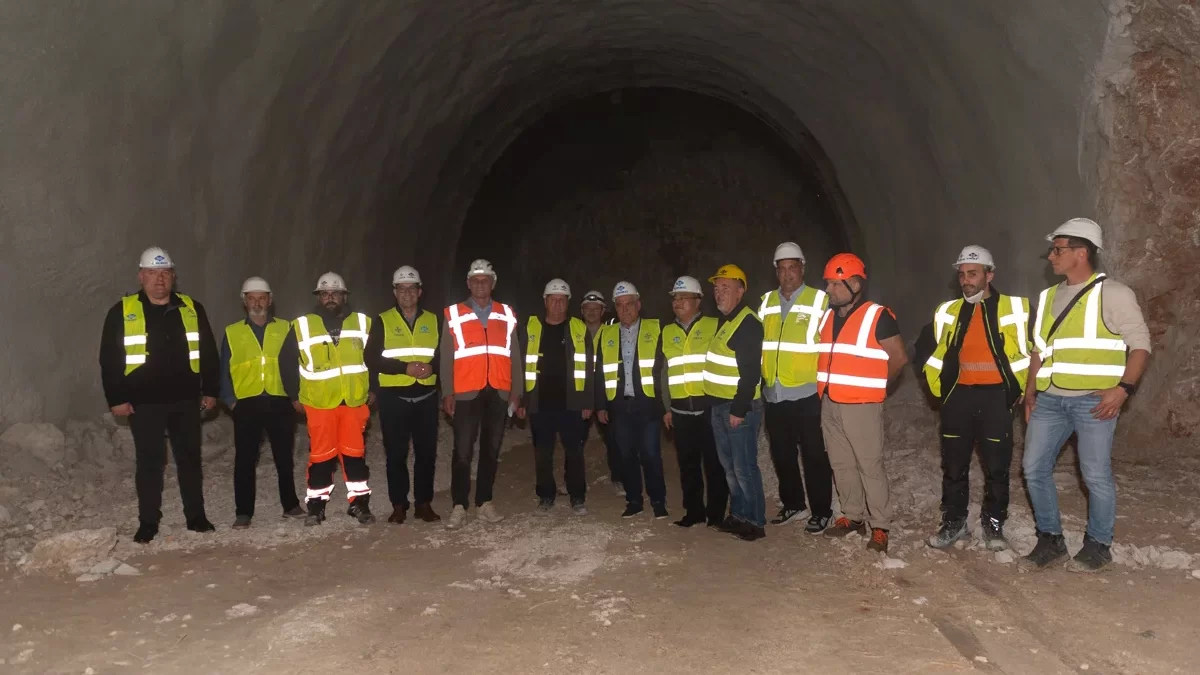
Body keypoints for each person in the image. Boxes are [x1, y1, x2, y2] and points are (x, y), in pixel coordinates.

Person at [1022, 218, 1151, 572]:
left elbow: (1140, 345)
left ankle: (1098, 544)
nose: (1051, 256)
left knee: (1094, 475)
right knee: (1033, 469)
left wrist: (1123, 390)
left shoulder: (1115, 294)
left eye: (1057, 249)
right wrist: (1030, 392)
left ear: (1081, 253)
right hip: (1050, 400)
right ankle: (1051, 540)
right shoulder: (1048, 296)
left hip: (1095, 402)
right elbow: (1040, 349)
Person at [99, 247, 219, 544]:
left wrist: (211, 390)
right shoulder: (121, 311)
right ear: (141, 276)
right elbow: (110, 359)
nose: (159, 279)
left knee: (189, 459)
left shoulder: (192, 308)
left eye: (164, 273)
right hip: (145, 403)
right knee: (150, 463)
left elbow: (208, 353)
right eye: (152, 273)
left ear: (173, 276)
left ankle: (196, 517)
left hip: (184, 400)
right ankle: (148, 522)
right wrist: (116, 398)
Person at [922, 246, 1030, 550]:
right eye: (962, 274)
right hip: (959, 398)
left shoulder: (1016, 308)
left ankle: (994, 525)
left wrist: (1022, 388)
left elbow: (1035, 350)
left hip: (996, 397)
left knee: (997, 466)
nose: (966, 280)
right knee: (954, 465)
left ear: (989, 275)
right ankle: (954, 523)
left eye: (973, 274)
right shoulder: (948, 311)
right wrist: (940, 389)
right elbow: (929, 349)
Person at [816, 253, 908, 554]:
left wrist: (878, 388)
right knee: (840, 463)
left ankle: (880, 526)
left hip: (862, 406)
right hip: (830, 402)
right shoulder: (829, 317)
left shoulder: (877, 316)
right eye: (828, 284)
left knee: (870, 465)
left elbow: (898, 358)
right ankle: (851, 516)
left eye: (833, 284)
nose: (828, 290)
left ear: (854, 283)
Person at [440, 259, 523, 530]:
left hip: (498, 391)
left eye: (484, 279)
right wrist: (447, 392)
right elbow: (446, 356)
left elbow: (515, 355)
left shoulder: (506, 313)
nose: (480, 284)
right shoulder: (454, 313)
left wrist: (516, 392)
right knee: (463, 451)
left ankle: (484, 502)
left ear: (493, 283)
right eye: (475, 280)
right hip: (466, 391)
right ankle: (459, 505)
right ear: (468, 283)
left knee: (491, 449)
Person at [759, 242, 833, 533]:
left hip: (807, 393)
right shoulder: (766, 303)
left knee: (814, 455)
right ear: (776, 272)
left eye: (793, 268)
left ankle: (821, 511)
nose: (787, 274)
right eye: (782, 268)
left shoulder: (820, 301)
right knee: (782, 454)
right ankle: (794, 505)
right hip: (774, 393)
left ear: (803, 269)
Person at [219, 276, 305, 529]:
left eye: (262, 297)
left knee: (283, 457)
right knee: (245, 459)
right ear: (244, 302)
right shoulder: (232, 332)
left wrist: (296, 396)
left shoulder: (287, 328)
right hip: (246, 402)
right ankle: (243, 512)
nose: (257, 302)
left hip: (280, 401)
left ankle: (290, 505)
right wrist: (230, 400)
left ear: (270, 300)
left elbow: (299, 364)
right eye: (251, 298)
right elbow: (224, 367)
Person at [292, 272, 375, 526]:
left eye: (336, 293)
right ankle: (316, 507)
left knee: (354, 456)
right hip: (319, 404)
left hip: (352, 403)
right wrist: (293, 396)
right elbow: (287, 363)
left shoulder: (363, 323)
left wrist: (376, 390)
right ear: (318, 297)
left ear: (344, 296)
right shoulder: (302, 325)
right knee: (321, 458)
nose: (330, 298)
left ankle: (359, 504)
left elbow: (374, 359)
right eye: (325, 294)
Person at [364, 265, 442, 525]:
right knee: (396, 455)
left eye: (411, 289)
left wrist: (435, 367)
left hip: (426, 399)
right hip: (393, 400)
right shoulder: (383, 320)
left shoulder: (434, 319)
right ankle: (399, 505)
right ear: (394, 293)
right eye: (401, 289)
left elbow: (447, 355)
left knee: (426, 454)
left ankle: (423, 504)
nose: (407, 294)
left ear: (420, 292)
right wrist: (404, 368)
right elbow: (371, 357)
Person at [518, 279, 594, 516]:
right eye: (553, 299)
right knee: (542, 452)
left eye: (562, 300)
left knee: (574, 452)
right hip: (540, 403)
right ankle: (546, 495)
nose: (558, 304)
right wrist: (521, 400)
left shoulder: (578, 329)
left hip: (571, 403)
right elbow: (520, 366)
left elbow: (589, 368)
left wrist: (587, 402)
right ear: (545, 301)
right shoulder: (531, 328)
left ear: (568, 302)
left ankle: (577, 496)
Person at [703, 265, 767, 541]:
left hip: (738, 408)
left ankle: (755, 521)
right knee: (730, 467)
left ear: (741, 291)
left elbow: (751, 372)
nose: (719, 293)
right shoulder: (726, 321)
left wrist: (738, 410)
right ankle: (738, 515)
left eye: (725, 288)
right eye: (716, 289)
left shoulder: (747, 323)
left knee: (744, 467)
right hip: (720, 406)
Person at [596, 281, 668, 519]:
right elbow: (598, 373)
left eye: (629, 304)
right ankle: (634, 501)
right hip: (619, 406)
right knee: (626, 455)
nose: (625, 309)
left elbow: (664, 369)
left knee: (650, 455)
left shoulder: (656, 328)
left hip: (647, 405)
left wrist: (666, 405)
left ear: (638, 304)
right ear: (614, 309)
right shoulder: (606, 334)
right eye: (619, 305)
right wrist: (601, 405)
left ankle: (658, 502)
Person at [660, 276, 728, 528]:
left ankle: (717, 514)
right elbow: (664, 372)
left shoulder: (715, 325)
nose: (677, 302)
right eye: (675, 298)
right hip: (679, 410)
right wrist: (666, 407)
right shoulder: (667, 331)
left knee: (714, 463)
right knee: (687, 464)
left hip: (709, 408)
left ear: (698, 301)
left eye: (682, 297)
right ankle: (694, 512)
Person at [581, 290, 623, 496]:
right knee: (575, 440)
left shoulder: (613, 332)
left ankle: (619, 478)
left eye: (595, 309)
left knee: (613, 439)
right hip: (582, 393)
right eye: (587, 309)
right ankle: (574, 482)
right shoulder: (575, 332)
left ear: (603, 310)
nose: (591, 312)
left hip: (607, 393)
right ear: (582, 311)